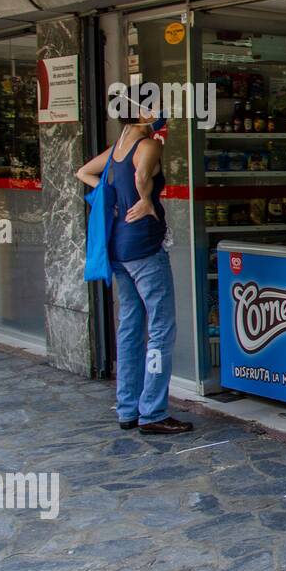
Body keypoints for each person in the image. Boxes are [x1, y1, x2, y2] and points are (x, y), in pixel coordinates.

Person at [76, 105, 193, 435]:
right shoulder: (149, 143)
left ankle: (127, 407)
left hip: (118, 248)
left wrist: (110, 197)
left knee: (129, 326)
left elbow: (83, 172)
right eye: (156, 107)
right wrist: (144, 201)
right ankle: (153, 411)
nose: (162, 113)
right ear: (143, 113)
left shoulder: (116, 150)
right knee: (160, 328)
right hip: (144, 246)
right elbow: (142, 175)